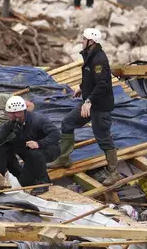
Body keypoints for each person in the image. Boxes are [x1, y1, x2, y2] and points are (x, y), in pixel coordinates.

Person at [48, 28, 120, 185]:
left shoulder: (99, 60)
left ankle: (114, 173)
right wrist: (81, 87)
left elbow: (102, 84)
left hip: (100, 106)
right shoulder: (89, 55)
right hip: (88, 101)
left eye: (83, 39)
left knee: (103, 137)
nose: (81, 41)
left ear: (91, 42)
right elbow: (90, 78)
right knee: (67, 123)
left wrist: (89, 101)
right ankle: (64, 159)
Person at [0, 96, 60, 196]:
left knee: (34, 152)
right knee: (6, 146)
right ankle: (14, 172)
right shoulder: (14, 123)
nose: (7, 114)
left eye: (9, 112)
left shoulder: (38, 120)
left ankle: (44, 183)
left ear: (17, 113)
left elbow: (56, 134)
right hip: (30, 149)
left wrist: (39, 143)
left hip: (49, 149)